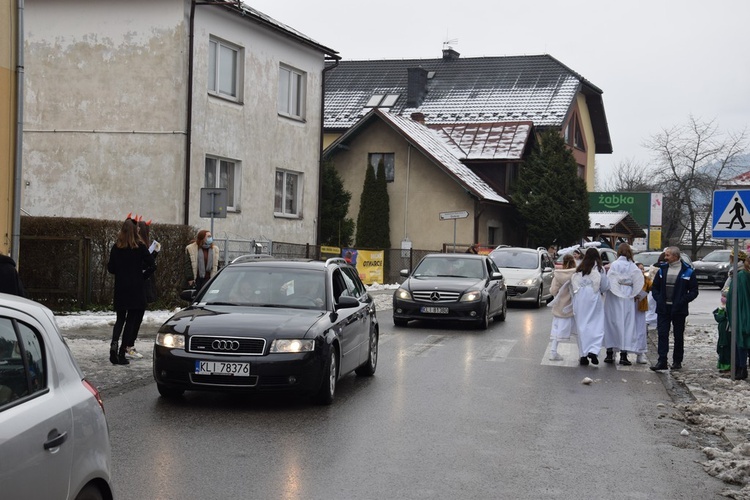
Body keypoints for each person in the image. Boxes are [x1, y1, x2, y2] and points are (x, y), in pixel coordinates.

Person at [107, 219, 156, 365]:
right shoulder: (140, 247)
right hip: (136, 289)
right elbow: (152, 265)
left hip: (121, 288)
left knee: (120, 319)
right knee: (131, 321)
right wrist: (142, 276)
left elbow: (111, 269)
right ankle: (122, 352)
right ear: (136, 232)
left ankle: (113, 345)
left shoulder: (116, 247)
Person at [650, 246, 699, 371]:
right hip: (663, 308)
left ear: (675, 257)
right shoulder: (662, 270)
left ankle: (677, 361)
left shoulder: (688, 271)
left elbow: (694, 291)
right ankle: (662, 361)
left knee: (678, 336)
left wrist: (682, 301)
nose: (665, 258)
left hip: (679, 310)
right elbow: (655, 288)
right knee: (662, 334)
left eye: (668, 255)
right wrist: (659, 299)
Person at [123, 217, 161, 360]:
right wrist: (153, 256)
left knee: (133, 318)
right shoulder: (138, 246)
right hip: (139, 287)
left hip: (137, 286)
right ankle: (128, 346)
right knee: (134, 317)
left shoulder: (137, 245)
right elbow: (145, 265)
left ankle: (127, 346)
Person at [602, 243, 644, 366]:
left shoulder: (614, 265)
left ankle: (609, 353)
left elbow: (609, 280)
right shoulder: (632, 266)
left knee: (611, 322)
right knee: (627, 323)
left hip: (614, 296)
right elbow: (638, 279)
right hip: (627, 295)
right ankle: (623, 355)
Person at [570, 247, 609, 366]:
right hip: (593, 296)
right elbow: (604, 286)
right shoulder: (599, 268)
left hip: (580, 298)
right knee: (596, 324)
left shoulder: (580, 268)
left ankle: (583, 355)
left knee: (582, 325)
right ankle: (593, 350)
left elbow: (574, 282)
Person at [724, 251, 750, 380]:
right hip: (743, 311)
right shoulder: (740, 275)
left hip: (742, 312)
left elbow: (730, 295)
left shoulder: (741, 276)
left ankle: (741, 368)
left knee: (741, 340)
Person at [548, 253, 577, 361]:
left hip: (560, 308)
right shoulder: (576, 274)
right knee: (578, 332)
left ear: (563, 263)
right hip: (572, 308)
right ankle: (582, 355)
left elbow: (553, 291)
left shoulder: (558, 275)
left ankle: (553, 352)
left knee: (556, 332)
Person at [633, 262, 651, 364]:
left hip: (640, 306)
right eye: (639, 269)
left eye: (642, 269)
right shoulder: (631, 279)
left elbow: (652, 287)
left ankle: (640, 353)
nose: (641, 271)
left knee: (640, 329)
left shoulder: (646, 280)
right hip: (631, 306)